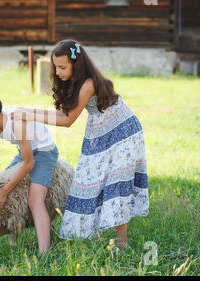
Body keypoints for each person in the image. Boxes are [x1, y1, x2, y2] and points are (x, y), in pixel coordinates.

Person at [11, 39, 149, 248]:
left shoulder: (88, 84)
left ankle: (122, 244)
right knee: (89, 179)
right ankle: (93, 233)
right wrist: (29, 111)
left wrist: (30, 114)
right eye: (55, 67)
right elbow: (63, 113)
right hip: (102, 132)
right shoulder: (76, 81)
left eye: (62, 67)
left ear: (77, 65)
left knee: (116, 183)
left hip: (123, 134)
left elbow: (67, 120)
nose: (57, 72)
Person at [0, 90, 58, 253]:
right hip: (24, 152)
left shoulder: (17, 124)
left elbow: (29, 163)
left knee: (34, 199)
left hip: (44, 151)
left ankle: (45, 252)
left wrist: (5, 190)